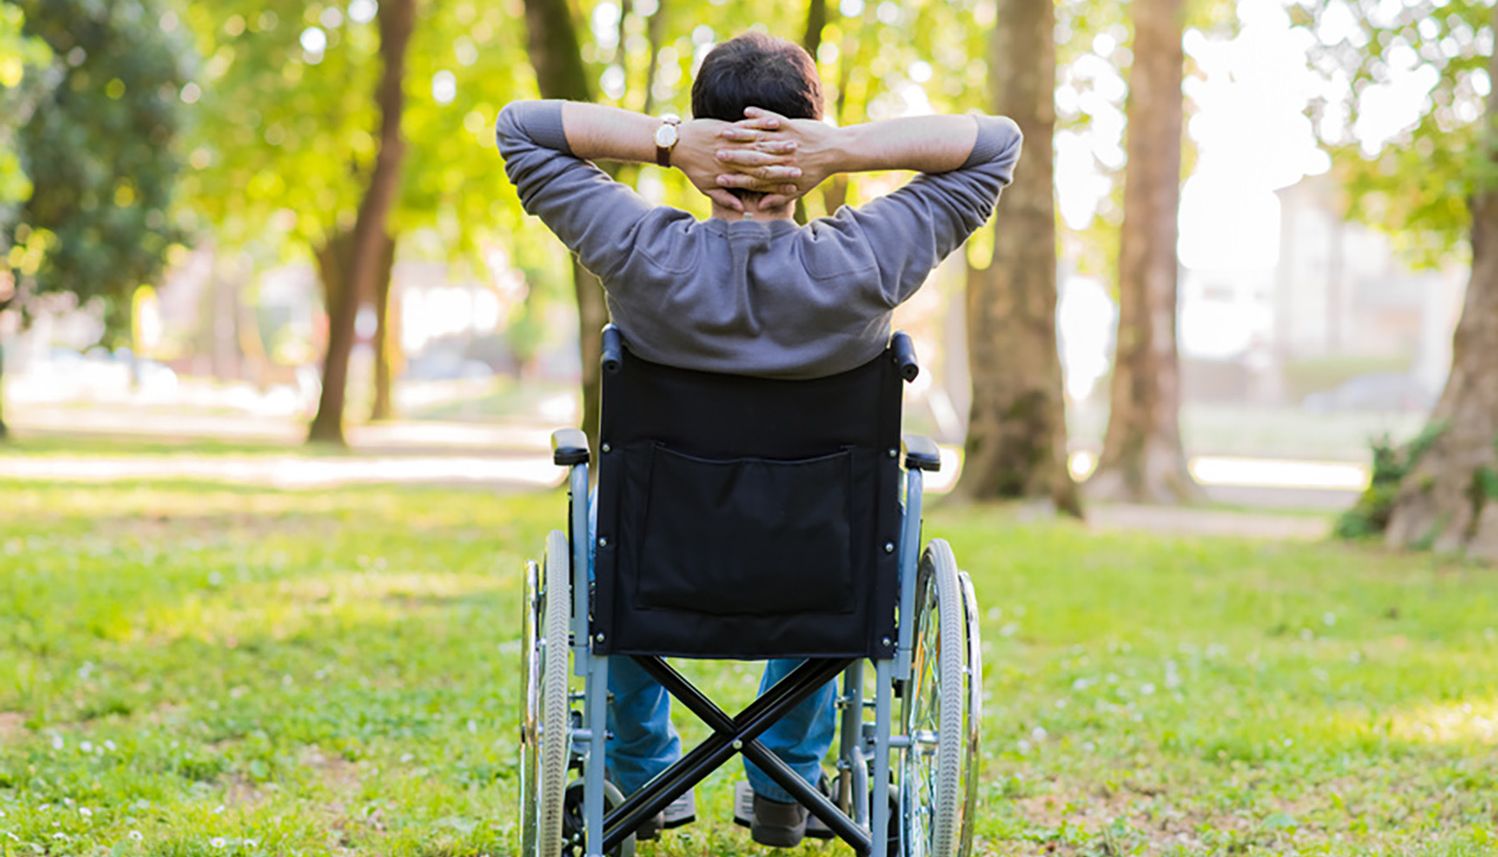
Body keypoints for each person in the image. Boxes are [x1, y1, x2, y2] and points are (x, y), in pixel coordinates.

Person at [497, 31, 1021, 848]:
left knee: (608, 530)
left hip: (656, 566)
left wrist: (670, 144)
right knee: (836, 522)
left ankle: (639, 770)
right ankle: (789, 775)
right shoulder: (867, 262)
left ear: (706, 139)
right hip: (823, 576)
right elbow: (994, 144)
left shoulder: (639, 254)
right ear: (808, 137)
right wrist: (838, 149)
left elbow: (521, 127)